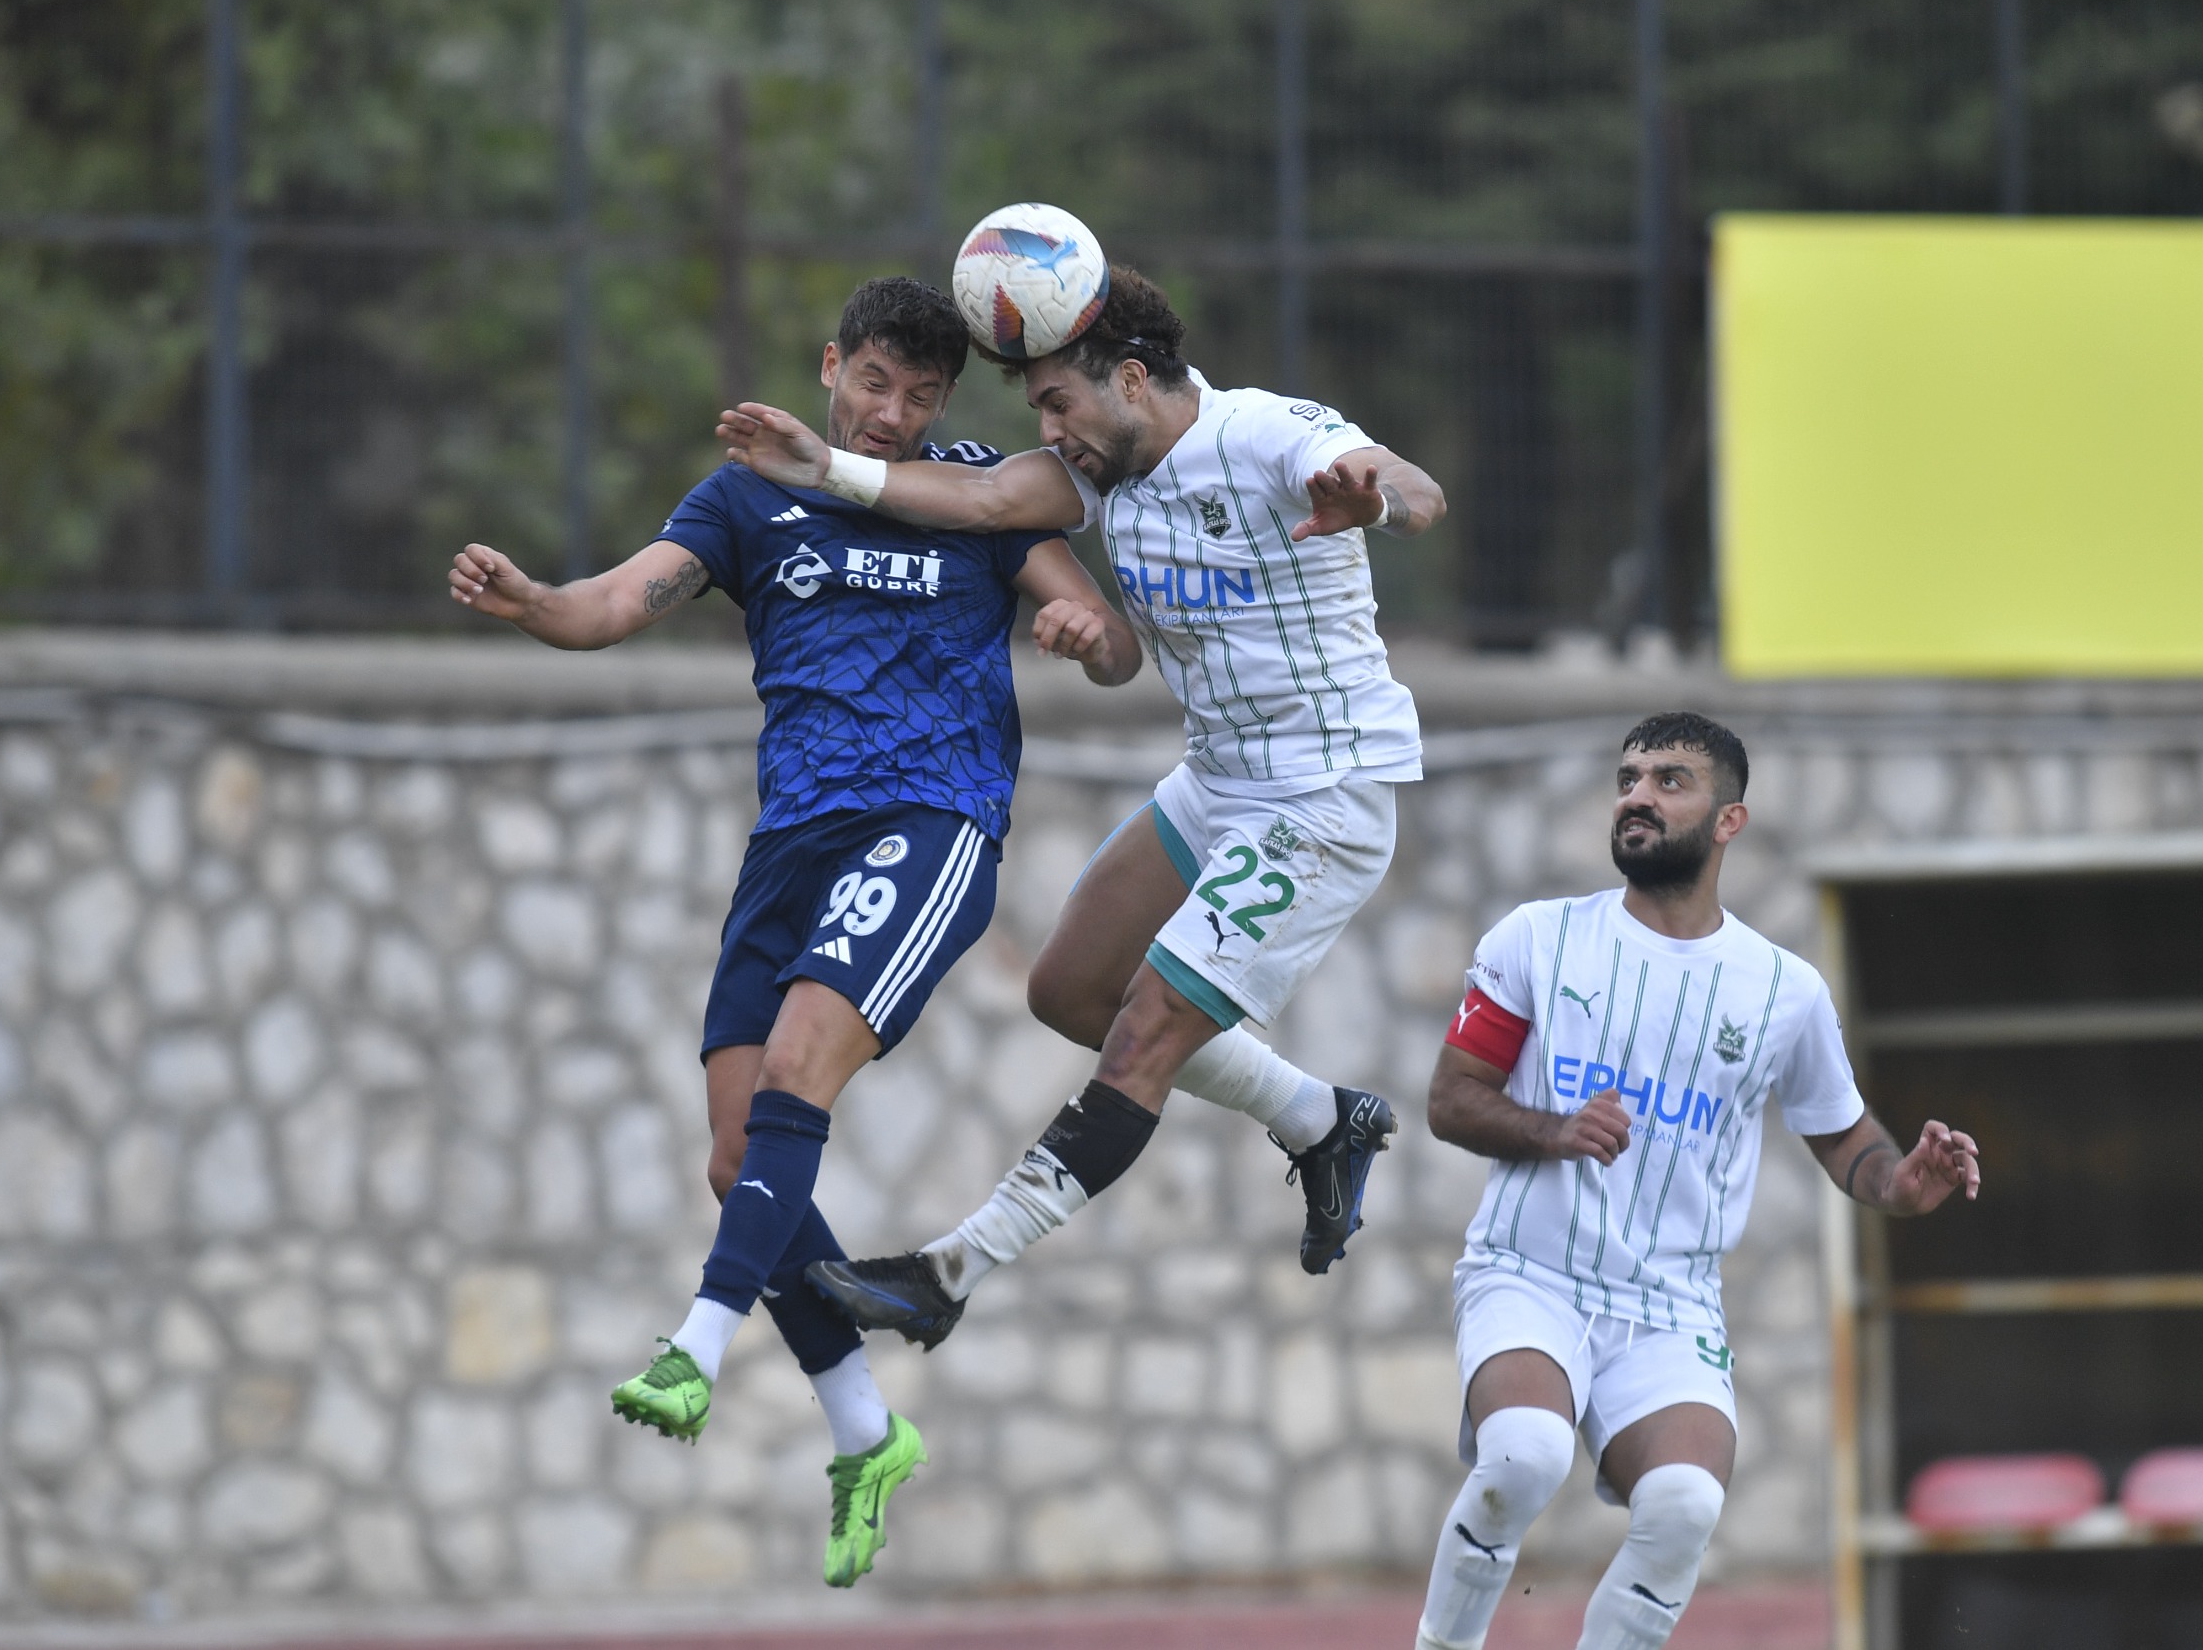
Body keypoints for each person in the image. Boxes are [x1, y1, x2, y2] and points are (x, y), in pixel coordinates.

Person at [445, 276, 1140, 1587]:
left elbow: (1108, 645)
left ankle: (695, 1343)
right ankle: (866, 1429)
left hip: (928, 823)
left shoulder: (982, 491)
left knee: (791, 1079)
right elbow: (606, 607)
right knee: (734, 1152)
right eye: (874, 385)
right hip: (790, 850)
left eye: (922, 397)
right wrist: (531, 597)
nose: (892, 417)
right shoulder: (748, 500)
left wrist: (1082, 626)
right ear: (831, 367)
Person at [713, 263, 1447, 1346]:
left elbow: (1417, 489)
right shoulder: (1103, 471)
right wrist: (825, 468)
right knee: (1067, 988)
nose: (1050, 431)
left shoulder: (1263, 434)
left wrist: (1374, 496)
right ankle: (1317, 1117)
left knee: (1144, 1032)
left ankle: (949, 1269)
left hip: (1322, 794)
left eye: (1058, 403)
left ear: (1134, 379)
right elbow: (976, 498)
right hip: (1221, 781)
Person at [1414, 712, 1981, 1650]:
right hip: (1530, 1274)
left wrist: (1903, 1185)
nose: (1638, 794)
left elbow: (1848, 1143)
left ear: (1730, 821)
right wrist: (1555, 1129)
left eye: (1670, 780)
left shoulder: (1782, 989)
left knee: (1682, 1503)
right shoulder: (1538, 938)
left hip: (1672, 1307)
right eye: (1629, 777)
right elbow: (1450, 1099)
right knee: (1526, 1452)